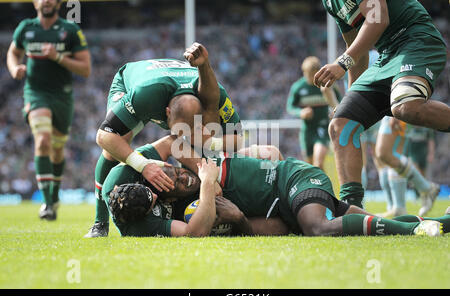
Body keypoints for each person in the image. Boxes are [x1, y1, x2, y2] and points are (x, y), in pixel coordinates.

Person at [104, 136, 448, 237]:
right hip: (290, 202)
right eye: (178, 183)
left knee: (318, 228)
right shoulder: (203, 203)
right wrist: (238, 220)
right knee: (355, 218)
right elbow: (275, 228)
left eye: (177, 171)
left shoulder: (211, 170)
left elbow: (177, 142)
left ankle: (411, 234)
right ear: (172, 197)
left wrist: (206, 179)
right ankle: (437, 224)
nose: (184, 176)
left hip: (294, 178)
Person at [85, 44, 243, 237]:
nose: (182, 136)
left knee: (206, 140)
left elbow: (237, 140)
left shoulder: (215, 93)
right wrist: (143, 165)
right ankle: (99, 223)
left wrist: (210, 145)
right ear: (166, 113)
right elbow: (104, 136)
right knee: (114, 146)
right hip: (135, 83)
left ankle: (200, 200)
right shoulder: (145, 96)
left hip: (172, 85)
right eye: (180, 130)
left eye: (189, 130)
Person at [315, 0, 450, 208]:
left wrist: (342, 63)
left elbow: (379, 18)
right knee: (341, 123)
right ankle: (352, 209)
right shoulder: (330, 2)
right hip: (387, 55)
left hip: (416, 39)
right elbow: (354, 46)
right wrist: (351, 97)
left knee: (405, 106)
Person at [6, 0, 91, 220]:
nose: (47, 1)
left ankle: (53, 197)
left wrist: (59, 57)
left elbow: (86, 69)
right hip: (35, 93)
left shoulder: (70, 30)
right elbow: (13, 53)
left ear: (59, 2)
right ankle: (47, 203)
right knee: (43, 141)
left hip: (62, 96)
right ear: (35, 2)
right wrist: (15, 68)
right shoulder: (26, 27)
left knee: (57, 149)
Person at [375, 117, 439, 217]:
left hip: (397, 109)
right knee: (394, 156)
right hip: (396, 110)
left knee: (385, 154)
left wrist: (394, 114)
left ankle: (426, 188)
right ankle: (399, 207)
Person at [286, 56, 341, 170]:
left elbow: (340, 102)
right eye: (309, 74)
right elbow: (290, 107)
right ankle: (318, 187)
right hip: (307, 130)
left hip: (323, 127)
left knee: (318, 163)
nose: (312, 78)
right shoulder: (298, 87)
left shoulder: (327, 84)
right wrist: (301, 112)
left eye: (314, 74)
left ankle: (323, 188)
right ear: (304, 72)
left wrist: (335, 112)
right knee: (311, 167)